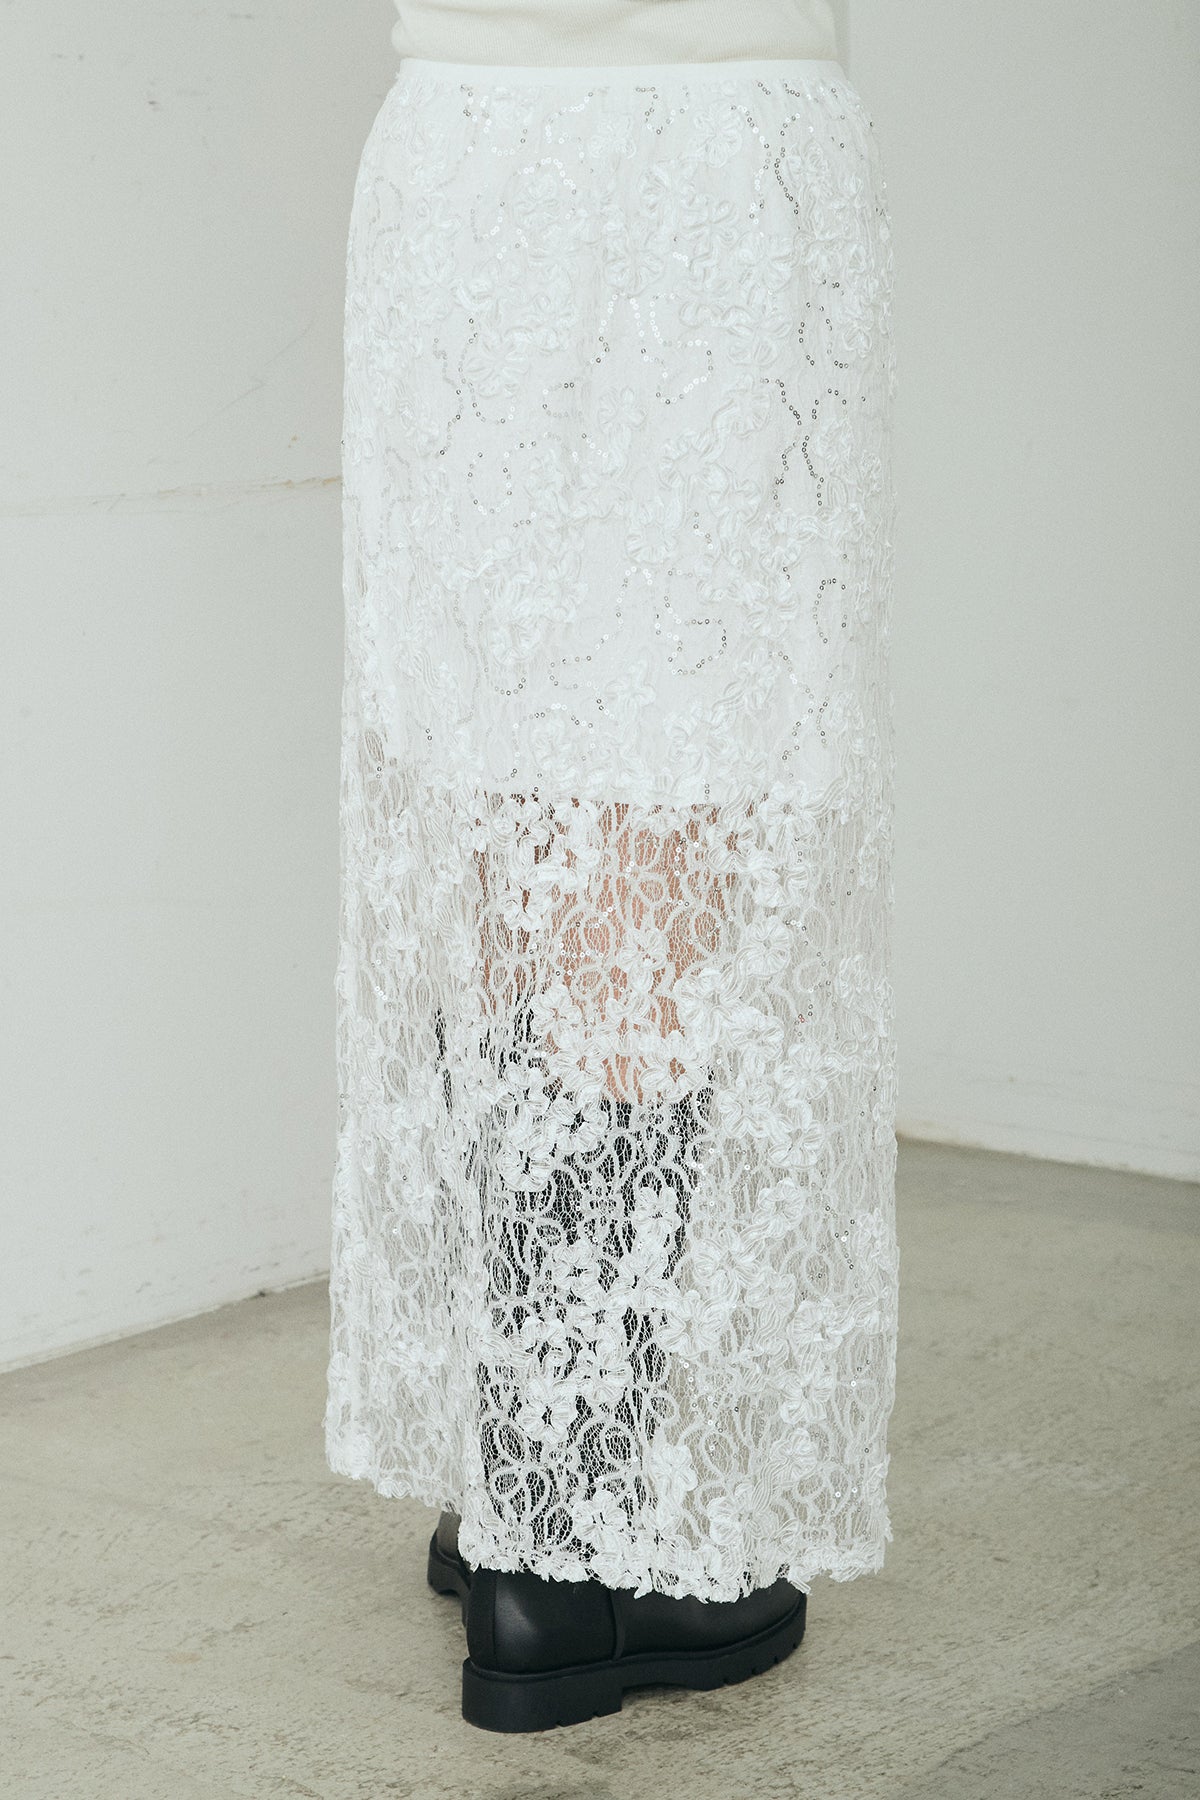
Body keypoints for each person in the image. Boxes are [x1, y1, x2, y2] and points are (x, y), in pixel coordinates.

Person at [325, 0, 900, 1733]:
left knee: (524, 805)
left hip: (467, 155)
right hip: (704, 168)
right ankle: (568, 1559)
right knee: (658, 808)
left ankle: (529, 1472)